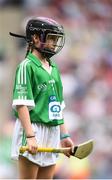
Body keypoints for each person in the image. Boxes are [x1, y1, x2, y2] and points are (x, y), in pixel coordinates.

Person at [10, 16, 74, 179]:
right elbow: (22, 104)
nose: (54, 43)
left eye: (56, 39)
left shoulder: (53, 68)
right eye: (51, 38)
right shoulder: (26, 66)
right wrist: (30, 136)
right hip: (33, 129)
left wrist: (64, 135)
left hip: (52, 131)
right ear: (35, 38)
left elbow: (57, 106)